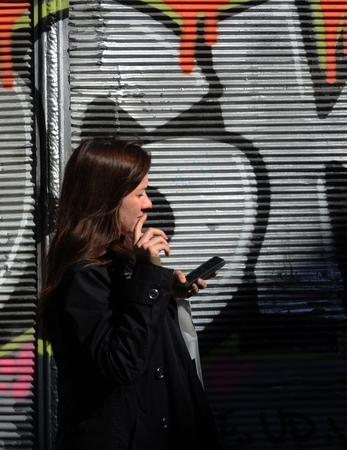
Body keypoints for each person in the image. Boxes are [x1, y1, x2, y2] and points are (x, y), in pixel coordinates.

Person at [38, 137, 224, 449]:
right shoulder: (80, 279)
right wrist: (149, 276)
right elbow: (121, 364)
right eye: (139, 193)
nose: (148, 203)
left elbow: (135, 324)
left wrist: (166, 290)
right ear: (106, 199)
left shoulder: (118, 265)